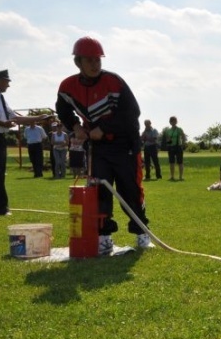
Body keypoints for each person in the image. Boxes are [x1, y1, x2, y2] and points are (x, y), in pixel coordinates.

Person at [56, 38, 151, 251]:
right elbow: (63, 110)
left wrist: (105, 128)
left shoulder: (114, 81)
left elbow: (131, 112)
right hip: (98, 149)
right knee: (99, 192)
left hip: (125, 145)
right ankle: (104, 237)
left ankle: (141, 233)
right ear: (78, 62)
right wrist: (75, 127)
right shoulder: (67, 86)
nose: (94, 64)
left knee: (131, 191)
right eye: (89, 60)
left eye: (97, 59)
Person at [0, 69, 49, 215]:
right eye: (6, 81)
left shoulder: (0, 98)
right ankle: (0, 207)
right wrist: (2, 123)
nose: (8, 85)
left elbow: (15, 118)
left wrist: (39, 118)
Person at [161, 116, 186, 181]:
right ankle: (172, 176)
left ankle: (180, 176)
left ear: (176, 121)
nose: (174, 122)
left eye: (175, 121)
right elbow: (168, 139)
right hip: (171, 147)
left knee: (180, 162)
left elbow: (183, 137)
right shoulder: (168, 130)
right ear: (170, 122)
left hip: (178, 147)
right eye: (172, 121)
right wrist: (169, 145)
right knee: (171, 162)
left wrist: (183, 145)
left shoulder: (179, 129)